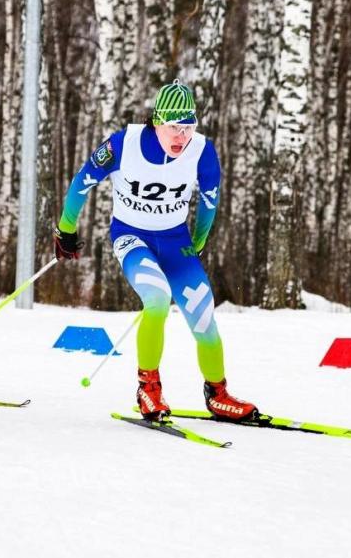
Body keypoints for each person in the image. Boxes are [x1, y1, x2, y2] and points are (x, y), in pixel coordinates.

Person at [54, 79, 258, 422]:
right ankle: (148, 388)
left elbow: (210, 202)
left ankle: (218, 393)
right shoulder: (124, 143)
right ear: (156, 121)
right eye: (174, 127)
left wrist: (198, 241)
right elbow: (82, 182)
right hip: (131, 237)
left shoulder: (202, 150)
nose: (181, 136)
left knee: (203, 317)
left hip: (175, 242)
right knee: (158, 298)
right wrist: (66, 230)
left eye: (188, 126)